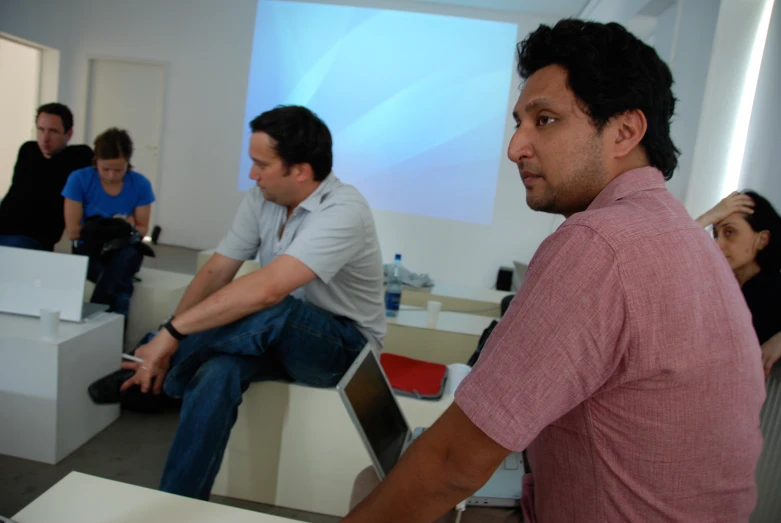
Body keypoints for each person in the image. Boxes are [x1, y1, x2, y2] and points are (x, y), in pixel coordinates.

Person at [343, 20, 765, 523]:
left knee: (377, 487)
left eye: (544, 120)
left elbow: (455, 463)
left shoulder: (599, 244)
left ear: (625, 131)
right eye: (519, 122)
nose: (515, 146)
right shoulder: (682, 237)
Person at [116, 105, 385, 500]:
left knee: (273, 306)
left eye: (261, 164)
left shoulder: (345, 210)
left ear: (301, 170)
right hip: (273, 339)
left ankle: (164, 366)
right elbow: (215, 273)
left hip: (344, 350)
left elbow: (270, 291)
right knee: (216, 373)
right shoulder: (262, 199)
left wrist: (168, 337)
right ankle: (177, 505)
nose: (252, 174)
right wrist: (169, 330)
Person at [62, 128, 155, 318]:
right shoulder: (79, 179)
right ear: (96, 161)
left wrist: (105, 227)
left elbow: (142, 229)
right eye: (105, 169)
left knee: (123, 259)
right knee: (121, 284)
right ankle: (112, 334)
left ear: (128, 164)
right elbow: (73, 232)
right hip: (89, 249)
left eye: (118, 170)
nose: (111, 175)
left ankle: (93, 320)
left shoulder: (140, 184)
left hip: (123, 249)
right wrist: (117, 226)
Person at [697, 190, 781, 377]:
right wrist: (707, 217)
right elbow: (668, 257)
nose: (718, 245)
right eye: (716, 234)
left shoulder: (776, 292)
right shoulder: (715, 288)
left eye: (730, 233)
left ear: (762, 239)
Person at [0, 103, 92, 250]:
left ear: (68, 134)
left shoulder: (78, 157)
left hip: (31, 238)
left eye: (53, 131)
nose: (45, 138)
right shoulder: (28, 150)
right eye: (41, 130)